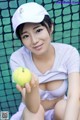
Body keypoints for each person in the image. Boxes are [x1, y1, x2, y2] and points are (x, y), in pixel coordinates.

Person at [10, 2, 80, 120]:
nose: (34, 41)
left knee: (64, 107)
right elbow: (33, 108)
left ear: (50, 27)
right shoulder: (17, 58)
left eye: (38, 30)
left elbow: (74, 96)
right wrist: (33, 87)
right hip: (32, 112)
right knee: (34, 114)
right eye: (26, 36)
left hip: (59, 111)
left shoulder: (69, 53)